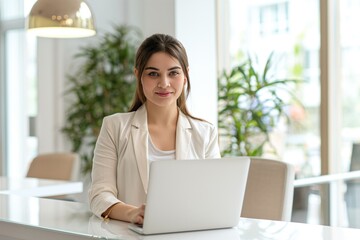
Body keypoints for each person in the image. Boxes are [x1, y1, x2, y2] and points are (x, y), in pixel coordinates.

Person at [88, 33, 221, 224]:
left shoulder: (205, 133)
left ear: (185, 76)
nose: (164, 83)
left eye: (173, 73)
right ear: (138, 75)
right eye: (153, 74)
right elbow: (99, 195)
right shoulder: (114, 127)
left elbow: (213, 198)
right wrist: (132, 213)